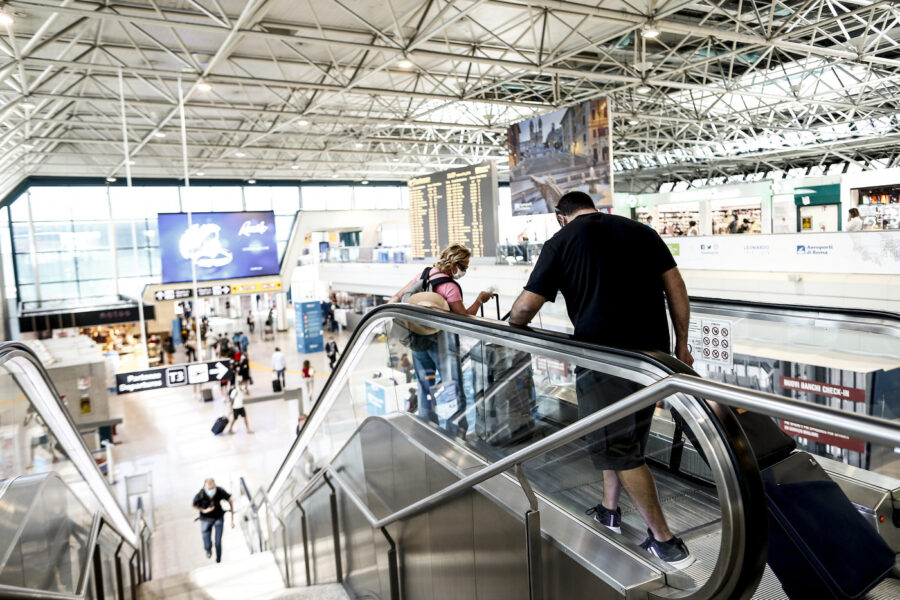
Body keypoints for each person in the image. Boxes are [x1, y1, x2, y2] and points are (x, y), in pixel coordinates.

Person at [508, 191, 695, 569]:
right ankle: (610, 510)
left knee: (619, 448)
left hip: (604, 361)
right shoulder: (641, 231)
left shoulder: (560, 241)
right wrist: (682, 344)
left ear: (562, 217)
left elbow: (526, 307)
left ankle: (664, 540)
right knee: (625, 441)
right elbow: (676, 287)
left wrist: (513, 324)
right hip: (652, 360)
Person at [389, 244, 494, 420]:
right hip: (442, 343)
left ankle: (427, 425)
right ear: (454, 264)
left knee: (424, 386)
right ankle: (456, 428)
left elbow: (397, 296)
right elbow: (464, 319)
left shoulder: (423, 274)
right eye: (464, 267)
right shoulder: (449, 287)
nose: (465, 271)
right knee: (451, 385)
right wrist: (479, 301)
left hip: (417, 338)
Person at [191, 479, 234, 563]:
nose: (211, 493)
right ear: (205, 489)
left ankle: (218, 560)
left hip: (218, 517)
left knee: (218, 542)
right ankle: (208, 549)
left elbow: (230, 500)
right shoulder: (201, 494)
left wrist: (232, 519)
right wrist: (204, 510)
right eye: (209, 490)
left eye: (213, 490)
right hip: (205, 519)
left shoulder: (219, 491)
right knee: (206, 537)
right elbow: (194, 505)